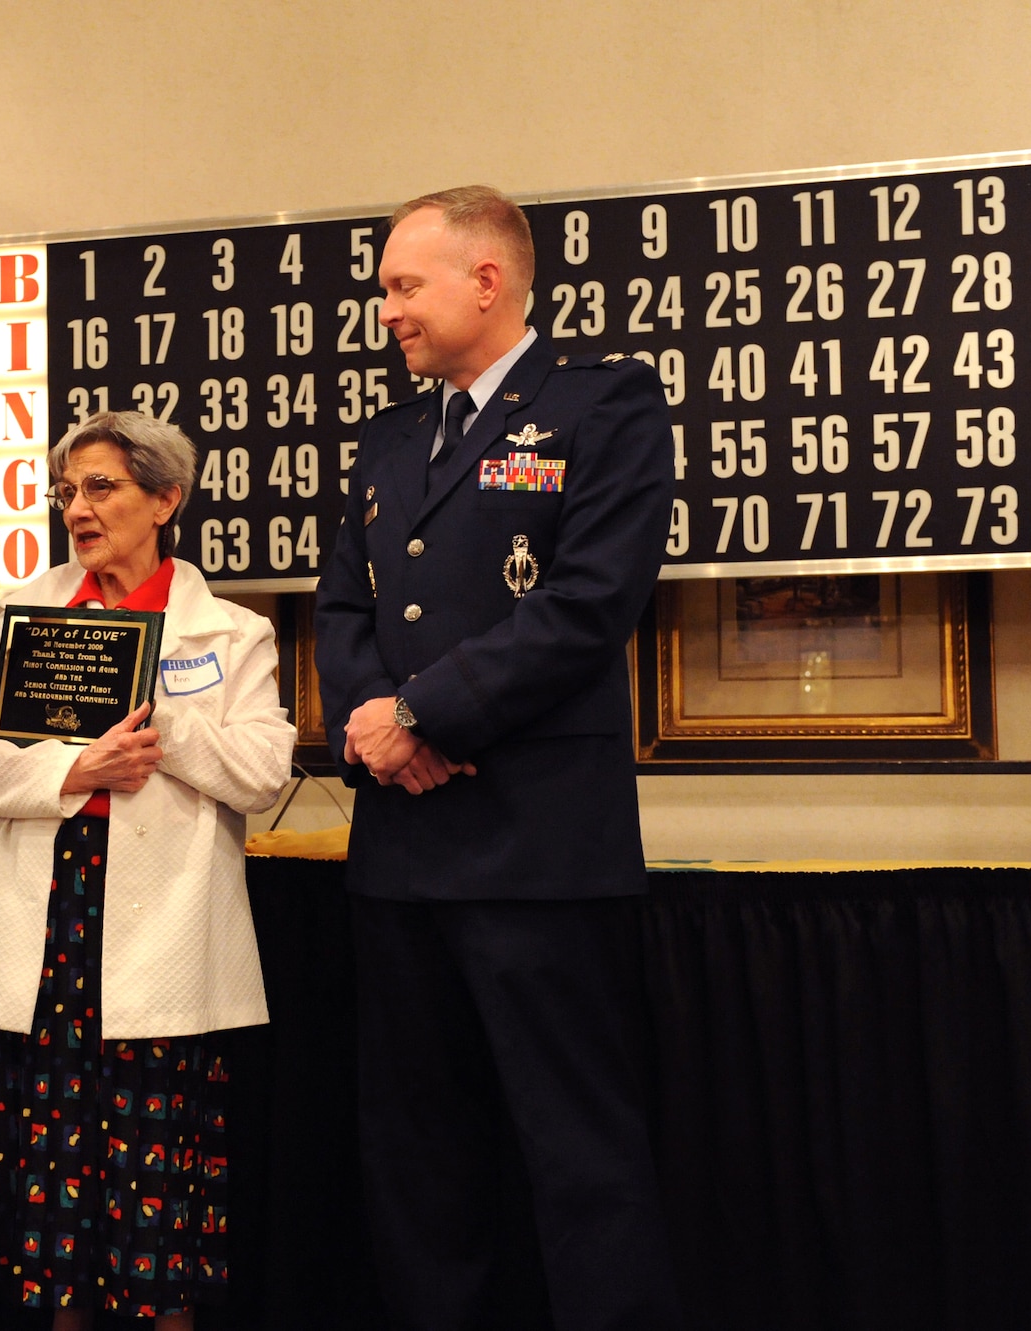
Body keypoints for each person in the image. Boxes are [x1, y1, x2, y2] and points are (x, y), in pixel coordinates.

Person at [313, 186, 683, 1330]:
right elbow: (342, 606)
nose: (386, 312)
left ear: (487, 279)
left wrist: (420, 714)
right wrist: (381, 724)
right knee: (417, 1159)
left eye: (401, 286)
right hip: (403, 851)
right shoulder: (388, 435)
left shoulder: (602, 404)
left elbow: (585, 604)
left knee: (579, 1154)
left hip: (537, 853)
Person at [0, 411, 294, 1325]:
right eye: (67, 492)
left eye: (102, 488)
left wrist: (157, 721)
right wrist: (74, 768)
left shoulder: (229, 632)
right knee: (51, 1175)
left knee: (155, 1161)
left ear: (165, 498)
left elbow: (262, 773)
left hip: (167, 925)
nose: (78, 509)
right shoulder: (27, 612)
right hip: (50, 918)